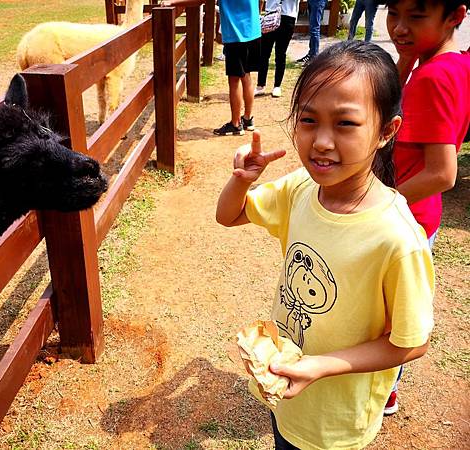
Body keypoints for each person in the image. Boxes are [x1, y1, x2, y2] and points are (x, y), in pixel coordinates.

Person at [216, 41, 434, 449]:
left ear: (387, 131)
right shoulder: (301, 189)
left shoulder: (397, 238)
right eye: (309, 120)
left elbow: (411, 341)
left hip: (337, 417)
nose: (321, 141)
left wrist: (318, 367)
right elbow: (229, 215)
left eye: (345, 124)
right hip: (286, 390)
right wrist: (242, 180)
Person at [381, 0, 470, 416]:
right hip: (417, 213)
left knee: (386, 315)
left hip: (408, 217)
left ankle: (382, 393)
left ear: (455, 16)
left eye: (416, 17)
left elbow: (442, 173)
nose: (399, 27)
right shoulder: (437, 62)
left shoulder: (434, 76)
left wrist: (376, 203)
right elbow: (393, 107)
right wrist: (403, 59)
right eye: (393, 13)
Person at [165, 0, 261, 135]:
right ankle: (247, 118)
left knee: (234, 81)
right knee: (246, 75)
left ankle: (235, 124)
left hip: (236, 34)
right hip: (253, 31)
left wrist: (173, 2)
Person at [255, 0, 300, 98]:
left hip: (288, 16)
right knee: (264, 52)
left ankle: (277, 86)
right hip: (270, 14)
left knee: (280, 53)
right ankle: (260, 85)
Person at [294, 0, 327, 66]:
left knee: (315, 29)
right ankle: (311, 54)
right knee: (313, 28)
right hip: (312, 1)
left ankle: (314, 57)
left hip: (318, 2)